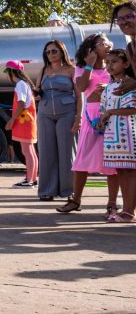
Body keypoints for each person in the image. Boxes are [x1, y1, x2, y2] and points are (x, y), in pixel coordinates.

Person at [58, 33, 119, 214]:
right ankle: (75, 200)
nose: (107, 44)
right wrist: (90, 65)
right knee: (81, 160)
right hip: (92, 116)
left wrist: (109, 88)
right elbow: (82, 88)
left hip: (111, 114)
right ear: (91, 48)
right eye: (102, 42)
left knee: (112, 162)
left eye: (108, 41)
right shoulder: (81, 68)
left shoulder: (115, 66)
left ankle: (112, 203)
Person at [35, 40, 80, 201]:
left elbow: (79, 96)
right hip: (45, 113)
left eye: (54, 51)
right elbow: (38, 91)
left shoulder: (71, 70)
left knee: (67, 152)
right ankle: (47, 190)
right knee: (46, 151)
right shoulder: (43, 70)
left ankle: (69, 190)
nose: (51, 54)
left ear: (62, 52)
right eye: (48, 52)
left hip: (67, 112)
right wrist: (36, 94)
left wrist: (78, 117)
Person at [98, 49, 136, 223]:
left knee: (130, 171)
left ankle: (129, 211)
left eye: (114, 62)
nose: (109, 66)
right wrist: (101, 120)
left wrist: (111, 112)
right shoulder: (108, 87)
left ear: (126, 64)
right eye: (107, 62)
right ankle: (126, 209)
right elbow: (102, 110)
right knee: (121, 170)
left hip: (129, 132)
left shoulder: (130, 84)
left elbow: (133, 109)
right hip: (113, 135)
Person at [3, 60, 38, 189]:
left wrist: (12, 120)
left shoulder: (20, 85)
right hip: (29, 122)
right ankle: (32, 179)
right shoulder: (25, 84)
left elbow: (22, 104)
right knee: (30, 151)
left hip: (24, 122)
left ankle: (29, 180)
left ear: (11, 72)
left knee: (27, 151)